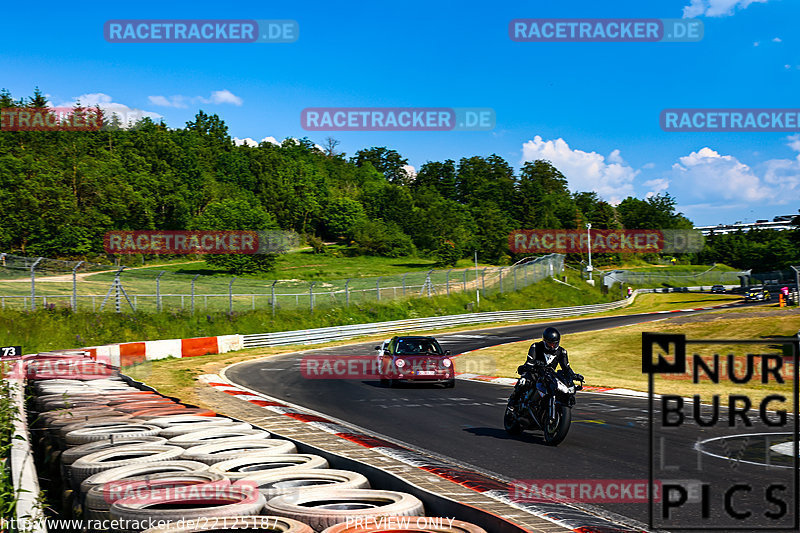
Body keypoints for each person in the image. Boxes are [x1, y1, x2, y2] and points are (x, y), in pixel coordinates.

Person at [509, 327, 583, 409]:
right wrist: (534, 364)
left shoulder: (562, 352)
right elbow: (530, 361)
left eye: (554, 344)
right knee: (524, 381)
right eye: (549, 343)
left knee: (561, 388)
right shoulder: (536, 346)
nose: (552, 346)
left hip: (549, 376)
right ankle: (512, 402)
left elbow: (566, 368)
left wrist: (574, 375)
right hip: (535, 372)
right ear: (544, 341)